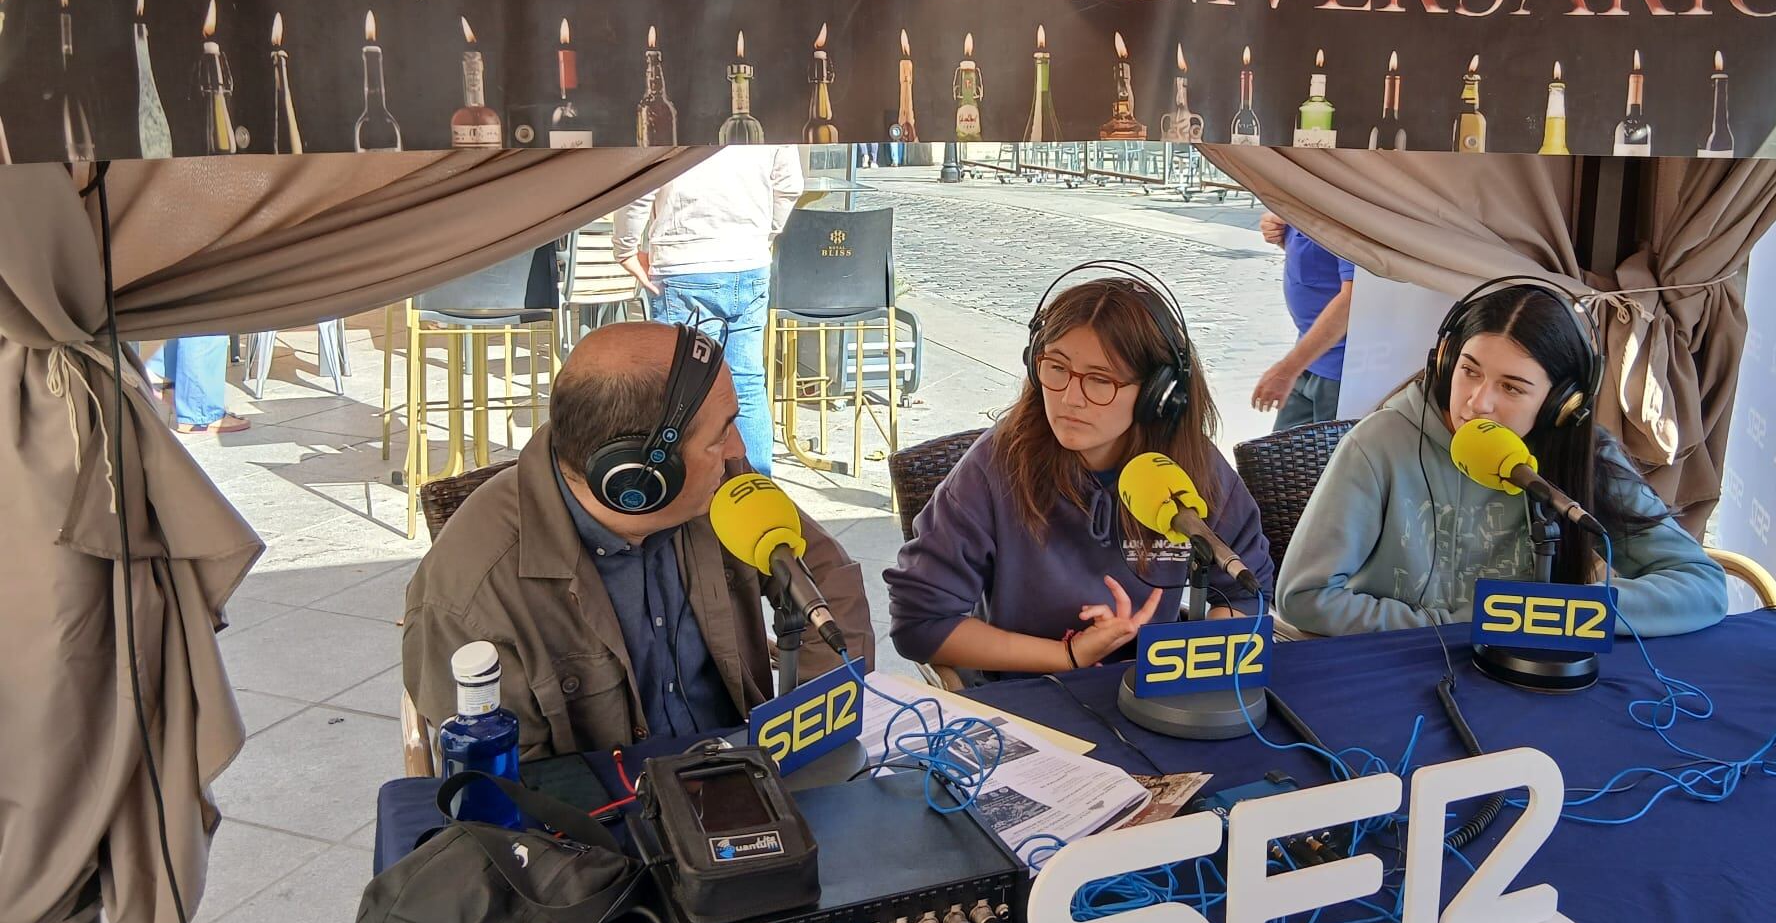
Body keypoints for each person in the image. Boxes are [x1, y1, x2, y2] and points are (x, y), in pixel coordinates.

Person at [402, 321, 874, 759]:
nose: (738, 449)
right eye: (719, 436)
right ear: (638, 474)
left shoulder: (720, 480)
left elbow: (825, 576)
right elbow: (506, 788)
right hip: (605, 812)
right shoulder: (466, 598)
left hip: (742, 770)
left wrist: (808, 730)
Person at [1277, 278, 1726, 638]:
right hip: (1405, 670)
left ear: (1562, 403)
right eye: (1469, 371)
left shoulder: (1587, 455)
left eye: (1511, 387)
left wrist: (1554, 615)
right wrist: (1463, 625)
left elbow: (1700, 585)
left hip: (1530, 679)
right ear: (1445, 362)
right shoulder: (1378, 444)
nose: (1478, 402)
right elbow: (1304, 596)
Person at [886, 265, 1273, 675]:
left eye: (1100, 380)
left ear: (1158, 395)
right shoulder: (993, 467)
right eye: (1056, 368)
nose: (1070, 398)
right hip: (1030, 691)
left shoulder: (1192, 470)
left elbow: (1247, 595)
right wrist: (1069, 656)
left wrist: (1184, 672)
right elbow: (919, 624)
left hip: (1153, 683)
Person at [613, 146, 802, 471]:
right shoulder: (768, 118)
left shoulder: (670, 120)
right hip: (749, 261)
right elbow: (790, 185)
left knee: (687, 393)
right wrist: (764, 234)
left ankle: (695, 493)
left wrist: (625, 249)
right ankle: (756, 487)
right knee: (747, 385)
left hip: (684, 263)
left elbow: (640, 187)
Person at [1252, 212, 1355, 429]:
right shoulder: (1305, 205)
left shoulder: (1345, 213)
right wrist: (1281, 235)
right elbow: (1319, 261)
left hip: (1338, 370)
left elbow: (1352, 300)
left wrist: (1286, 371)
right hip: (1308, 360)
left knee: (1328, 449)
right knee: (1281, 448)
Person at [149, 335, 248, 435]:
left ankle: (171, 385)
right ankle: (201, 413)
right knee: (207, 331)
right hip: (199, 410)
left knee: (188, 328)